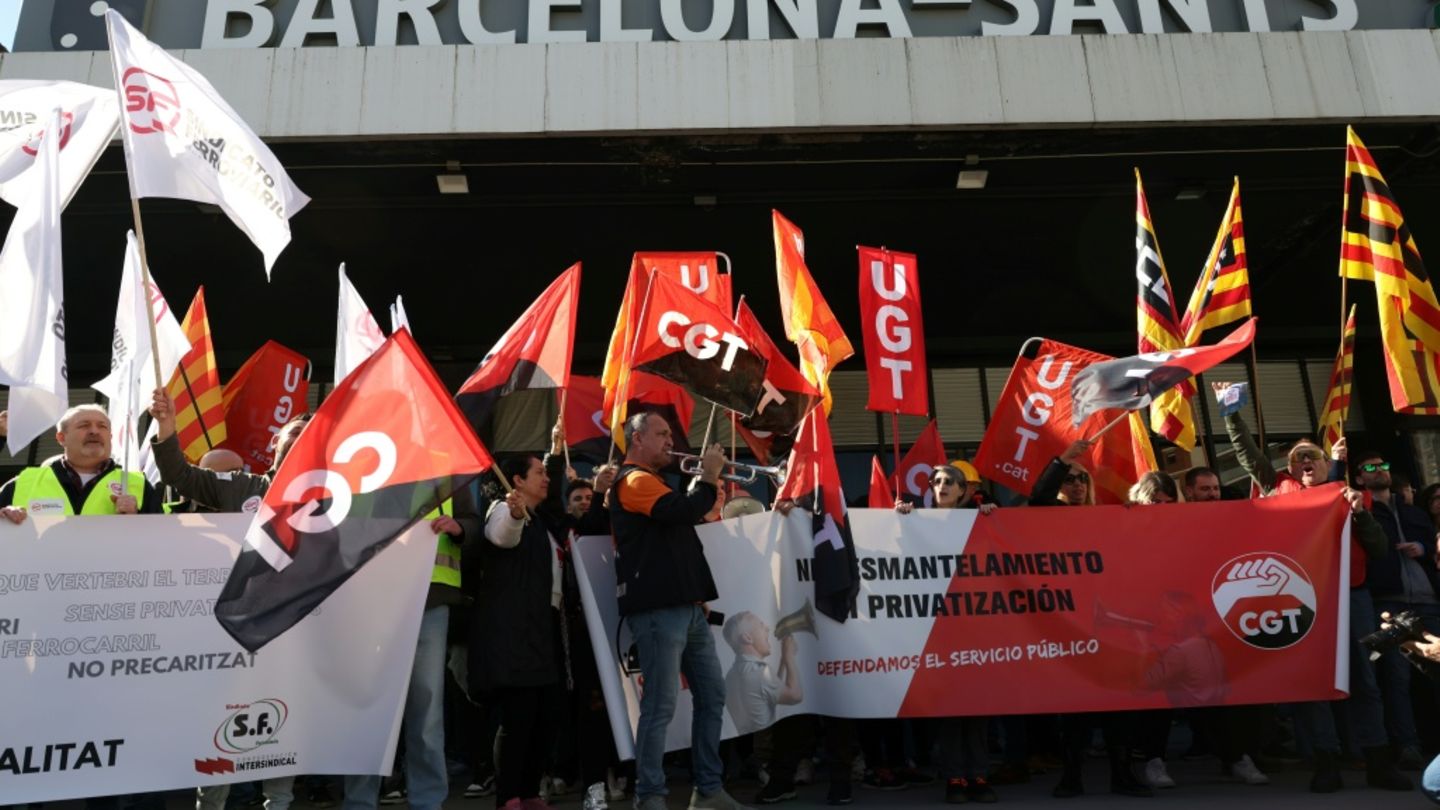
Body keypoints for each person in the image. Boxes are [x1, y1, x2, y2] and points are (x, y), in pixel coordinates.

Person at [149, 389, 478, 810]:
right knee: (230, 714)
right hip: (246, 628)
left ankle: (281, 802)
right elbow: (180, 474)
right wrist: (166, 429)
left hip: (325, 624)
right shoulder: (244, 487)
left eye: (312, 437)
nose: (301, 442)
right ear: (275, 445)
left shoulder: (338, 499)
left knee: (290, 714)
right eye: (293, 435)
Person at [1215, 386, 1408, 793]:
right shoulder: (1280, 491)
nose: (1305, 462)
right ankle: (1326, 761)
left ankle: (1377, 760)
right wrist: (1231, 412)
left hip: (1351, 597)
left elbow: (1378, 551)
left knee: (1365, 680)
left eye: (1313, 457)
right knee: (1311, 682)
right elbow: (1249, 456)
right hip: (1300, 601)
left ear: (1327, 464)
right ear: (1289, 469)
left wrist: (1360, 516)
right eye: (1297, 458)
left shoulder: (1351, 496)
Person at [610, 411, 746, 810]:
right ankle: (649, 795)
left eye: (670, 434)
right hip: (657, 612)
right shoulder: (633, 481)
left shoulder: (652, 482)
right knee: (660, 706)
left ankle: (708, 789)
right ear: (637, 440)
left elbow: (678, 535)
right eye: (662, 434)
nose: (670, 441)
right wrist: (708, 476)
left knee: (712, 695)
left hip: (686, 610)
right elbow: (680, 512)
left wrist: (696, 593)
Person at [1030, 439, 1150, 799]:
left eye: (1082, 480)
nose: (1077, 485)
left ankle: (1122, 775)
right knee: (1076, 709)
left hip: (1112, 628)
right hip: (1071, 627)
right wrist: (1063, 461)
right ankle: (1072, 776)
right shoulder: (1050, 516)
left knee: (1119, 709)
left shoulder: (1108, 517)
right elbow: (1037, 499)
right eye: (1070, 480)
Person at [468, 427, 570, 810]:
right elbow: (501, 537)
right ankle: (508, 795)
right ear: (516, 482)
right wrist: (512, 515)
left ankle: (528, 792)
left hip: (539, 631)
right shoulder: (505, 511)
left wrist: (555, 455)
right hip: (512, 635)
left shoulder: (541, 521)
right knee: (519, 719)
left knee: (545, 717)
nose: (546, 478)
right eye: (539, 473)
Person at [899, 464, 999, 804]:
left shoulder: (979, 519)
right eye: (936, 482)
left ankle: (979, 776)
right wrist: (900, 520)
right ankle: (955, 778)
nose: (941, 487)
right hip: (939, 633)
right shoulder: (917, 522)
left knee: (978, 710)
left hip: (975, 633)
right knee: (951, 713)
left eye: (948, 483)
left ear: (962, 492)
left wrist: (990, 516)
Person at [1170, 466, 1270, 786]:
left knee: (1244, 689)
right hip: (1198, 624)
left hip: (1234, 619)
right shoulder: (1175, 525)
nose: (1213, 494)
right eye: (1205, 490)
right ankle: (1231, 755)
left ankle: (1243, 755)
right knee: (1211, 695)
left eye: (1215, 488)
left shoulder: (1233, 519)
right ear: (1188, 493)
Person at [1353, 450, 1440, 770]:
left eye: (1384, 464)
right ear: (1360, 477)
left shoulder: (1413, 512)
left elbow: (1434, 547)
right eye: (1371, 467)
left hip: (1428, 601)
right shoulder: (1364, 512)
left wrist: (1425, 548)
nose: (1380, 470)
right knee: (1396, 679)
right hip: (1387, 603)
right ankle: (1407, 745)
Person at [0, 404, 160, 520]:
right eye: (84, 425)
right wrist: (4, 517)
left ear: (110, 438)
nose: (94, 431)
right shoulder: (23, 484)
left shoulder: (138, 485)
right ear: (61, 438)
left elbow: (163, 542)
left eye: (102, 426)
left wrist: (139, 519)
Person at [723, 611, 803, 735]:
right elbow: (795, 696)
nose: (767, 628)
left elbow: (766, 696)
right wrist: (789, 657)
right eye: (761, 625)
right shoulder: (759, 672)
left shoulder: (730, 676)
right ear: (747, 638)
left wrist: (783, 662)